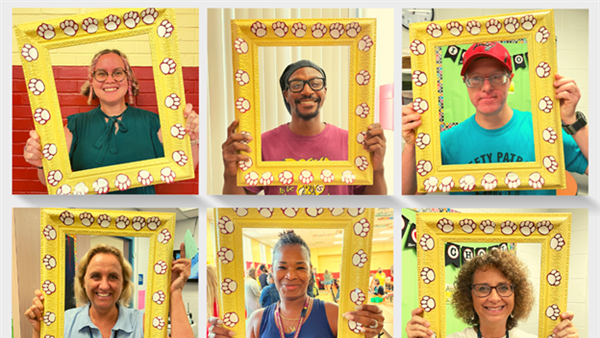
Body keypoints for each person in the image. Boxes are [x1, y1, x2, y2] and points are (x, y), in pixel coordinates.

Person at [208, 230, 384, 338]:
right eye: (282, 267)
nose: (291, 275)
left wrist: (367, 334)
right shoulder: (257, 320)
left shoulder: (334, 315)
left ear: (310, 272)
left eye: (300, 267)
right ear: (272, 271)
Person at [402, 41, 589, 195]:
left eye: (496, 77)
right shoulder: (447, 142)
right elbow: (409, 197)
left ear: (510, 79)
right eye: (475, 78)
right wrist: (411, 145)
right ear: (465, 84)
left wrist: (572, 120)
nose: (486, 87)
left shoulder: (544, 130)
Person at [25, 243, 198, 338]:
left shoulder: (142, 324)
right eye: (95, 276)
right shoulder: (63, 323)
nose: (105, 285)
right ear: (83, 281)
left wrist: (175, 291)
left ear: (123, 284)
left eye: (113, 277)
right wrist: (39, 333)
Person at [403, 249, 582, 338]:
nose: (494, 298)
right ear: (469, 295)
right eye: (483, 288)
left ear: (516, 294)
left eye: (504, 287)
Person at [23, 49, 199, 194]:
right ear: (92, 81)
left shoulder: (154, 123)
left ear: (128, 79)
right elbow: (50, 181)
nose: (109, 79)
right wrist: (40, 164)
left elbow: (183, 167)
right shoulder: (74, 126)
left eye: (118, 73)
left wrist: (192, 139)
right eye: (101, 73)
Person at [222, 59, 388, 195]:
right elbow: (238, 210)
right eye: (296, 85)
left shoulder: (352, 142)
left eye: (315, 83)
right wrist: (230, 173)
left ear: (325, 91)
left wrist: (378, 168)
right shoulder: (262, 144)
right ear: (286, 94)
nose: (307, 91)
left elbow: (371, 206)